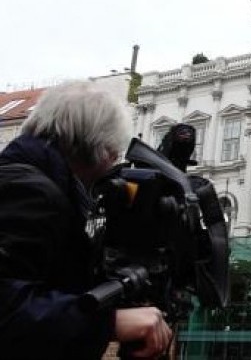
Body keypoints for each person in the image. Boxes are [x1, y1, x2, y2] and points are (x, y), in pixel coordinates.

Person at [0, 81, 173, 359]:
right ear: (94, 146)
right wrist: (107, 322)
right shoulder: (30, 191)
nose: (114, 162)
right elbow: (8, 309)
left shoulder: (35, 183)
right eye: (112, 151)